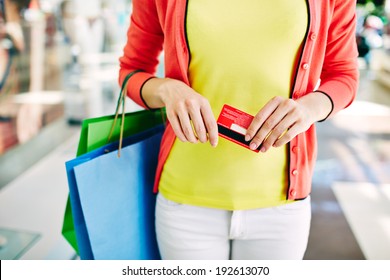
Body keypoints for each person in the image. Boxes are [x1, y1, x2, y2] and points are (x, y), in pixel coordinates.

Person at [119, 0, 359, 260]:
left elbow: (344, 75)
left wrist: (309, 108)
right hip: (186, 201)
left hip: (281, 205)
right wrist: (166, 90)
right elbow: (131, 70)